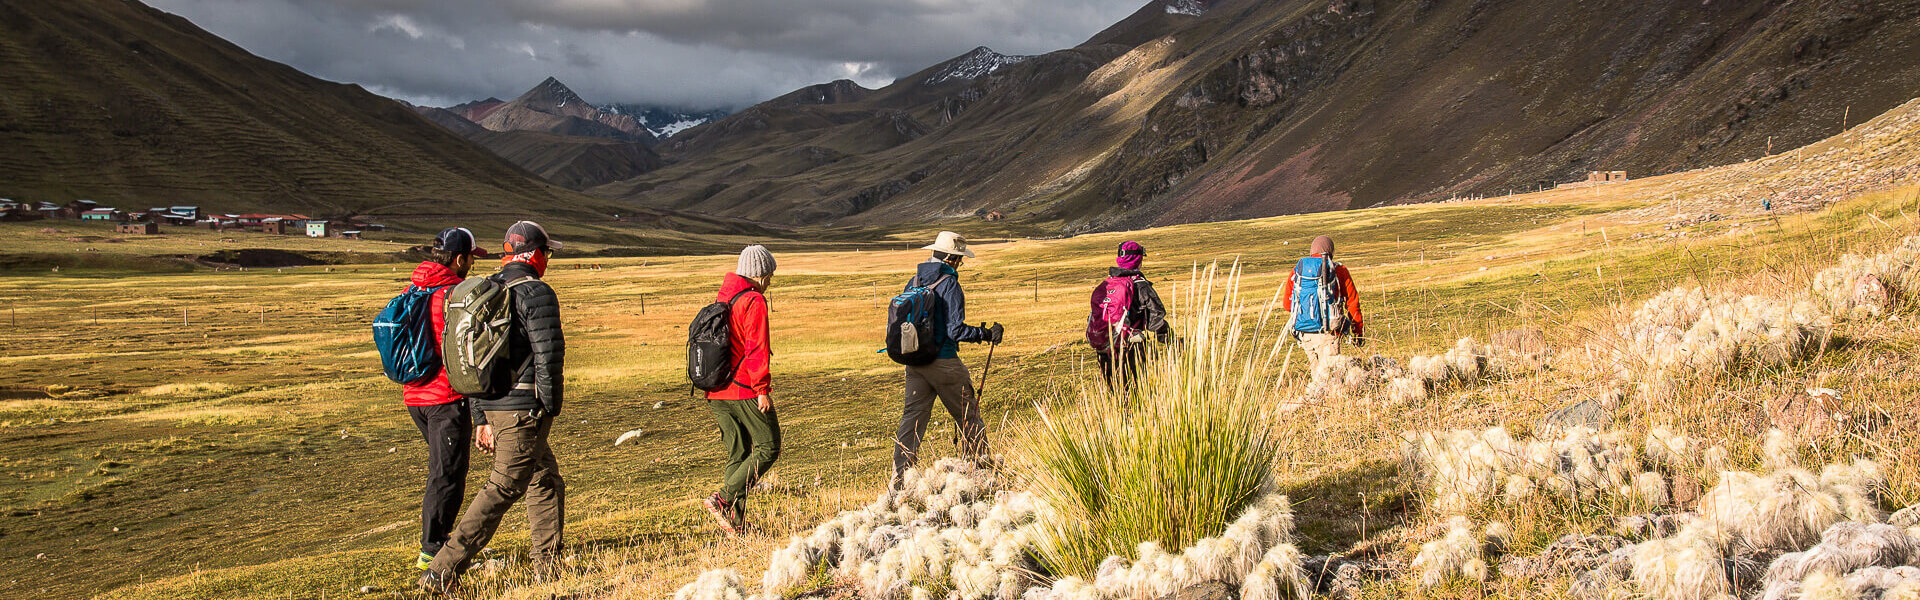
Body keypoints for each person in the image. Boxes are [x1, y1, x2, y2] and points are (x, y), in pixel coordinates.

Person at [421, 221, 567, 595]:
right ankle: (443, 569)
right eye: (546, 253)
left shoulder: (485, 290)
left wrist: (481, 416)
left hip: (496, 407)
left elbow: (467, 360)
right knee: (503, 486)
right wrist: (549, 408)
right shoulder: (537, 292)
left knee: (544, 478)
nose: (547, 260)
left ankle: (548, 567)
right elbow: (549, 356)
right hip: (524, 410)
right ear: (534, 254)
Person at [402, 228, 487, 571]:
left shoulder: (415, 287)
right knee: (446, 474)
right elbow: (462, 352)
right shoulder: (452, 295)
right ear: (459, 259)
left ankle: (436, 543)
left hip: (415, 396)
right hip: (444, 397)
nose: (470, 264)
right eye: (469, 258)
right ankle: (433, 550)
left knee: (443, 470)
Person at [893, 231, 1002, 484]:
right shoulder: (949, 283)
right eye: (959, 259)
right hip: (944, 362)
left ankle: (899, 479)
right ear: (952, 259)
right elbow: (955, 330)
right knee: (968, 416)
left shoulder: (914, 280)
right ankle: (980, 471)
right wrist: (985, 334)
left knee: (912, 419)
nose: (960, 264)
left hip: (915, 362)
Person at [701, 245, 782, 536]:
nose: (771, 280)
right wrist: (762, 389)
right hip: (743, 388)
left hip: (715, 391)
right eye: (769, 275)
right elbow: (756, 349)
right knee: (768, 447)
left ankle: (735, 523)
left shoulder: (724, 296)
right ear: (759, 274)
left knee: (738, 453)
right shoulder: (754, 301)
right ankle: (722, 499)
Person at [1087, 241, 1171, 391]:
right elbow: (1155, 321)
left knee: (1117, 397)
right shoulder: (1140, 285)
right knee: (1137, 395)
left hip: (1105, 350)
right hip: (1131, 349)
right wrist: (1174, 342)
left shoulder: (1107, 284)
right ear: (1138, 260)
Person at [1281, 235, 1365, 371]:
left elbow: (1287, 305)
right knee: (1332, 379)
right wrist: (1358, 332)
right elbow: (1352, 303)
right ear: (1330, 251)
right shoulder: (1338, 270)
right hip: (1329, 334)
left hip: (1305, 334)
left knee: (1318, 378)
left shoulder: (1297, 271)